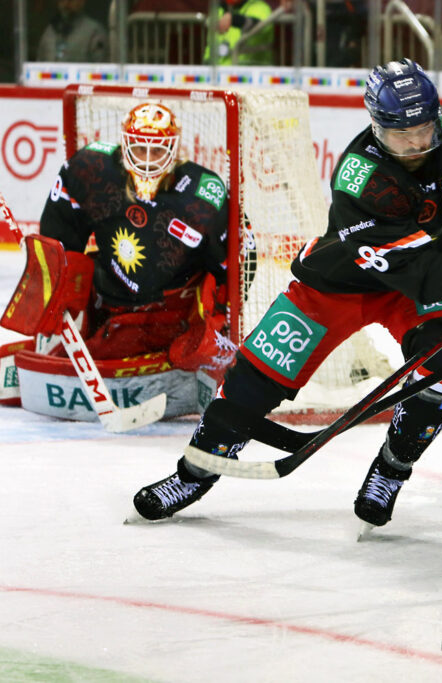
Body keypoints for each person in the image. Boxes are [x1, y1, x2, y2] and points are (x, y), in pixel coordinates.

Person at [132, 58, 442, 525]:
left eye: (422, 131)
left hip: (423, 285)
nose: (413, 145)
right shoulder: (359, 178)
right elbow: (412, 262)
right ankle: (193, 472)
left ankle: (393, 466)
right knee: (253, 378)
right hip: (340, 283)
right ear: (375, 125)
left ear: (437, 117)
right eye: (397, 135)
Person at [2, 102, 235, 411]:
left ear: (174, 150)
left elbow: (235, 267)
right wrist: (61, 286)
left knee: (98, 351)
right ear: (124, 145)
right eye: (140, 149)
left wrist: (217, 322)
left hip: (164, 314)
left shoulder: (202, 196)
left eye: (158, 151)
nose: (148, 160)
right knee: (54, 342)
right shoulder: (93, 169)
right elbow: (60, 232)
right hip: (105, 293)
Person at [206, 0, 275, 66]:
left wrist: (235, 20)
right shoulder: (219, 10)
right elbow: (210, 50)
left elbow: (262, 27)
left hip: (251, 73)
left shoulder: (260, 7)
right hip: (217, 73)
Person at [36, 0, 108, 63]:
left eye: (71, 0)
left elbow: (101, 70)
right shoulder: (50, 32)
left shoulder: (95, 32)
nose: (66, 3)